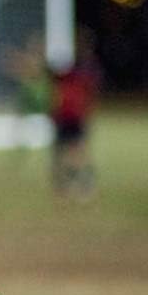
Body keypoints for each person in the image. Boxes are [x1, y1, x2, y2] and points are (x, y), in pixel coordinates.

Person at [50, 26, 101, 198]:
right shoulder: (72, 66)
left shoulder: (86, 68)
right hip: (65, 114)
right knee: (64, 152)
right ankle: (66, 186)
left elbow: (88, 91)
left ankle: (83, 184)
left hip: (74, 115)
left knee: (75, 152)